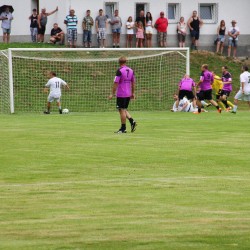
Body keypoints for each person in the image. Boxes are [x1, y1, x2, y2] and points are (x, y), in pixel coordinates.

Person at [108, 56, 137, 133]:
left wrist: (112, 93)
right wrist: (133, 93)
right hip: (128, 93)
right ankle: (132, 121)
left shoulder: (119, 71)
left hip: (121, 93)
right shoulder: (131, 70)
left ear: (119, 62)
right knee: (124, 109)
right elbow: (133, 83)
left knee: (121, 110)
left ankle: (123, 129)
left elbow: (115, 83)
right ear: (126, 62)